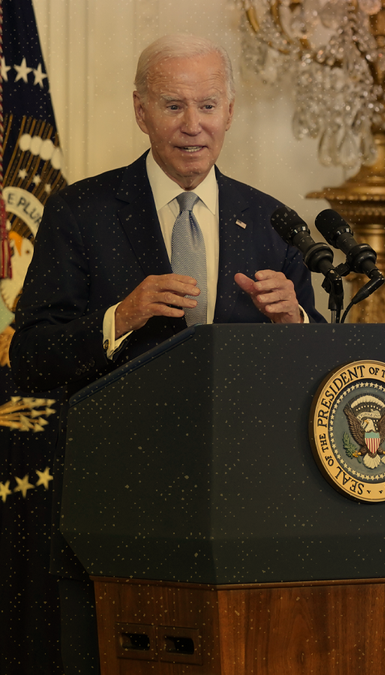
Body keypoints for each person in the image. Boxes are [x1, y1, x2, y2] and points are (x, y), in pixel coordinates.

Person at [8, 34, 324, 673]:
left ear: (230, 111)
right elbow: (32, 357)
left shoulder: (273, 224)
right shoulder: (80, 211)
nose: (192, 126)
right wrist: (120, 317)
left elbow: (315, 384)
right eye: (173, 106)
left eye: (207, 105)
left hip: (244, 516)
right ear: (140, 110)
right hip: (115, 510)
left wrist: (297, 323)